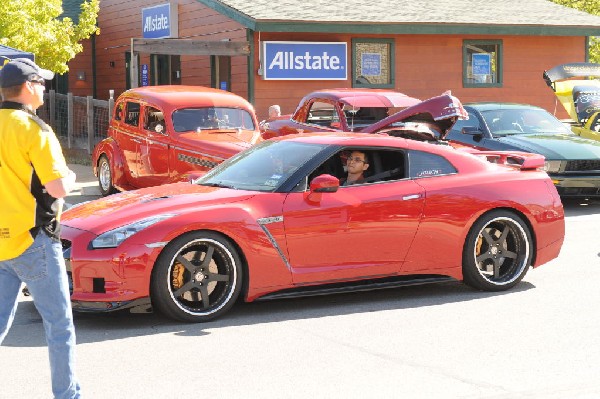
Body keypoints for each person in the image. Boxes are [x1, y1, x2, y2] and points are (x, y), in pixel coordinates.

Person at [0, 58, 81, 399]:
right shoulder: (34, 129)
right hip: (33, 240)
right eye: (42, 83)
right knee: (59, 326)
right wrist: (73, 178)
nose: (46, 89)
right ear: (29, 87)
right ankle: (68, 396)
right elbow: (58, 187)